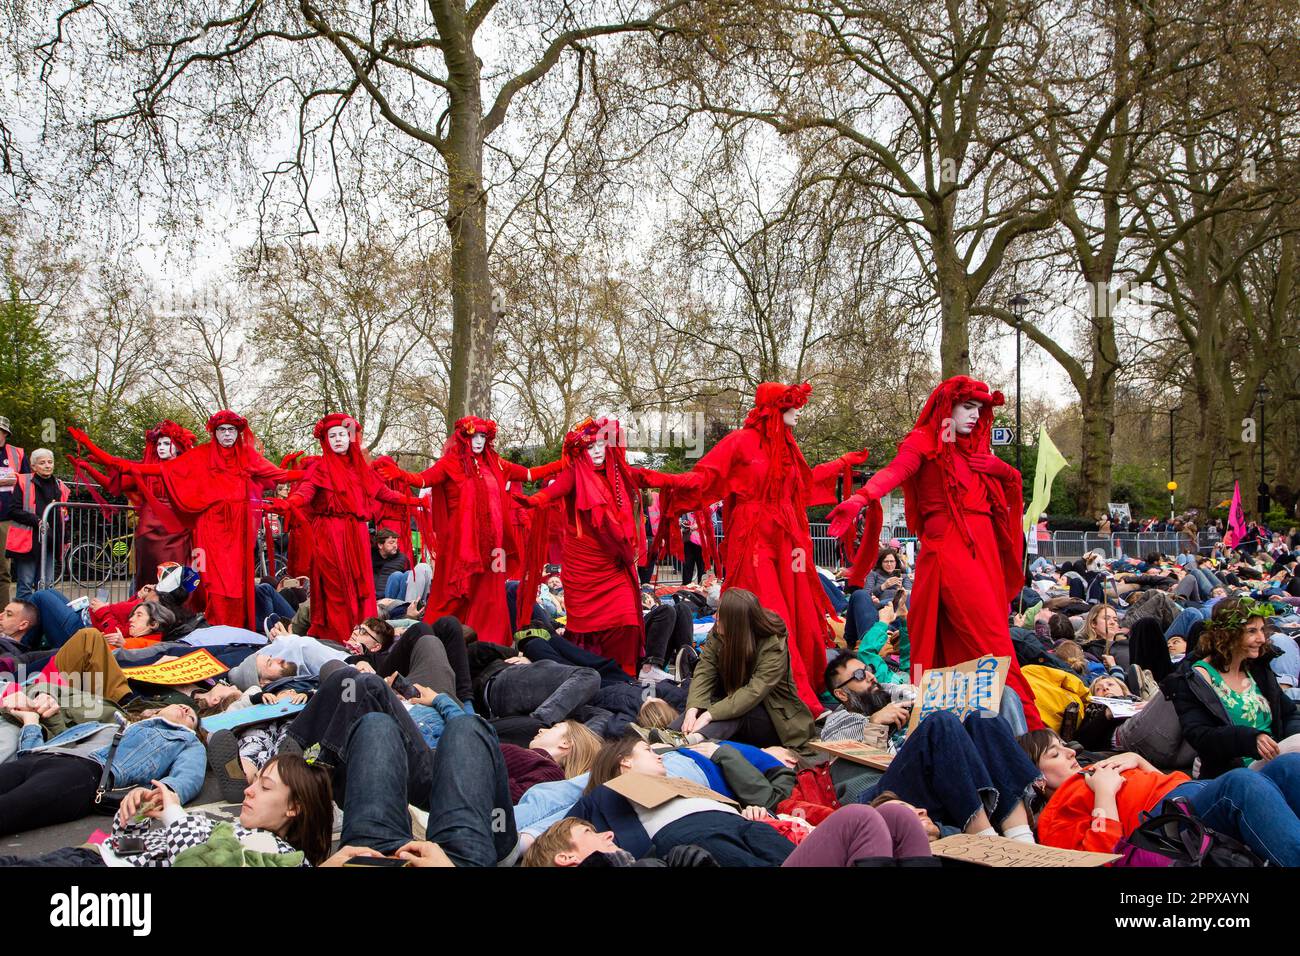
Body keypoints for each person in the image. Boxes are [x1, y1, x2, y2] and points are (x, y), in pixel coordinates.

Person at [828, 375, 1044, 729]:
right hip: (951, 552)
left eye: (980, 409)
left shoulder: (974, 447)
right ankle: (1031, 730)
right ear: (947, 407)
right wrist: (861, 497)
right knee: (990, 640)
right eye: (968, 407)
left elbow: (1008, 487)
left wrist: (1004, 470)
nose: (975, 416)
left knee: (980, 637)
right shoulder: (923, 441)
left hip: (982, 549)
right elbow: (896, 471)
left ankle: (976, 723)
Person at [649, 383, 869, 715]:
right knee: (772, 616)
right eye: (791, 406)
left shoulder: (789, 447)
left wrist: (842, 463)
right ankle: (793, 697)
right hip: (752, 542)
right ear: (773, 409)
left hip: (788, 543)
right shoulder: (739, 442)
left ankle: (804, 683)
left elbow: (805, 484)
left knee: (799, 616)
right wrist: (658, 479)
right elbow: (704, 477)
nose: (798, 411)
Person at [70, 412, 300, 630]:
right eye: (222, 429)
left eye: (232, 429)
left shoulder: (247, 455)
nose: (227, 434)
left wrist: (311, 472)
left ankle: (232, 628)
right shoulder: (200, 456)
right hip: (201, 528)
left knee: (231, 581)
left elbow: (278, 476)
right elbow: (143, 470)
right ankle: (202, 625)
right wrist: (94, 452)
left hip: (228, 529)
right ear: (214, 432)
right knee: (205, 582)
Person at [518, 417, 693, 675]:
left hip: (615, 563)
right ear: (580, 451)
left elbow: (647, 477)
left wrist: (685, 480)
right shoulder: (574, 474)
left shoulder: (620, 473)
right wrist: (534, 501)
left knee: (628, 621)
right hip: (584, 567)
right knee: (590, 628)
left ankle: (627, 672)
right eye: (590, 447)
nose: (598, 451)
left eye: (601, 444)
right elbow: (553, 492)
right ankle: (597, 673)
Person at [376, 416, 561, 645]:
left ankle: (489, 643)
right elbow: (423, 479)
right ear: (463, 438)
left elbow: (530, 474)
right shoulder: (450, 463)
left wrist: (564, 463)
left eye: (483, 436)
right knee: (453, 594)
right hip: (460, 546)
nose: (478, 441)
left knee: (491, 597)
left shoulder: (497, 464)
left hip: (493, 547)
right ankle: (441, 640)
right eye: (474, 436)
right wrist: (401, 475)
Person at [1021, 730, 1300, 866]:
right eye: (1054, 754)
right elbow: (1097, 858)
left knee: (1289, 766)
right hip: (1169, 823)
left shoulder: (1090, 768)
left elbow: (1170, 784)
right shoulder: (1054, 814)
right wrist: (1104, 795)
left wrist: (1141, 762)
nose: (1070, 752)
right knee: (1243, 783)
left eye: (1063, 745)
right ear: (1036, 779)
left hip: (1192, 793)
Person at [0, 754, 334, 867]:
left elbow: (203, 862)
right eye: (255, 780)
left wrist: (175, 815)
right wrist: (134, 821)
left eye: (265, 787)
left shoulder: (276, 851)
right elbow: (135, 851)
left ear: (294, 807)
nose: (249, 789)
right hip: (87, 857)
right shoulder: (238, 830)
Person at [271, 413, 417, 645]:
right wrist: (289, 502)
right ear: (325, 440)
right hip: (330, 536)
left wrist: (415, 502)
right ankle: (339, 637)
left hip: (356, 536)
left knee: (361, 588)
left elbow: (383, 493)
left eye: (342, 434)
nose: (338, 439)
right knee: (336, 588)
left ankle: (360, 635)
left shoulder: (360, 469)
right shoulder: (320, 468)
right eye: (332, 435)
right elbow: (306, 492)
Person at [0, 701, 206, 835]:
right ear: (156, 710)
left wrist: (163, 793)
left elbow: (189, 775)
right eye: (181, 705)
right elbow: (31, 751)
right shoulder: (109, 726)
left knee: (8, 809)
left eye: (191, 718)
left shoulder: (187, 740)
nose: (186, 709)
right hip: (38, 759)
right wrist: (31, 723)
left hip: (80, 773)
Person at [1165, 597, 1300, 778]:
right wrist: (1249, 739)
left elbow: (1289, 713)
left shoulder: (1257, 668)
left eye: (1262, 630)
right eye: (1251, 631)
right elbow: (1200, 736)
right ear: (1227, 635)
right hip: (1234, 771)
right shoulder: (1195, 678)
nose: (1261, 638)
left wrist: (1290, 738)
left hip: (1273, 759)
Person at [676, 588, 816, 755]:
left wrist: (709, 715)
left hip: (775, 720)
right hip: (732, 702)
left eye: (721, 616)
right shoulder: (720, 631)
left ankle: (692, 741)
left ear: (737, 623)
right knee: (702, 704)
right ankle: (671, 734)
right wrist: (693, 709)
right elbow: (705, 672)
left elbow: (754, 692)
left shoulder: (773, 643)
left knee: (734, 710)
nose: (716, 618)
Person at [71, 420, 196, 592]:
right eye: (158, 443)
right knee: (146, 582)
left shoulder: (185, 469)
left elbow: (119, 464)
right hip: (148, 533)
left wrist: (89, 445)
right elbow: (113, 483)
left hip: (174, 534)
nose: (161, 447)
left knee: (173, 582)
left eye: (167, 443)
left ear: (178, 446)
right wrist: (89, 468)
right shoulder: (149, 470)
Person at [3, 449, 70, 599]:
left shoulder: (60, 486)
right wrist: (38, 521)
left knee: (47, 584)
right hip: (28, 541)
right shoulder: (23, 481)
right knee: (25, 584)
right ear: (33, 466)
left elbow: (64, 515)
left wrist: (65, 539)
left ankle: (43, 619)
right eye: (42, 463)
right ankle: (23, 620)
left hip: (50, 541)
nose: (47, 465)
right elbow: (13, 510)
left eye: (50, 462)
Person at [0, 415, 31, 606]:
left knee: (3, 570)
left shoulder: (17, 454)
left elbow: (29, 482)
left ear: (5, 433)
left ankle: (3, 617)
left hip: (6, 518)